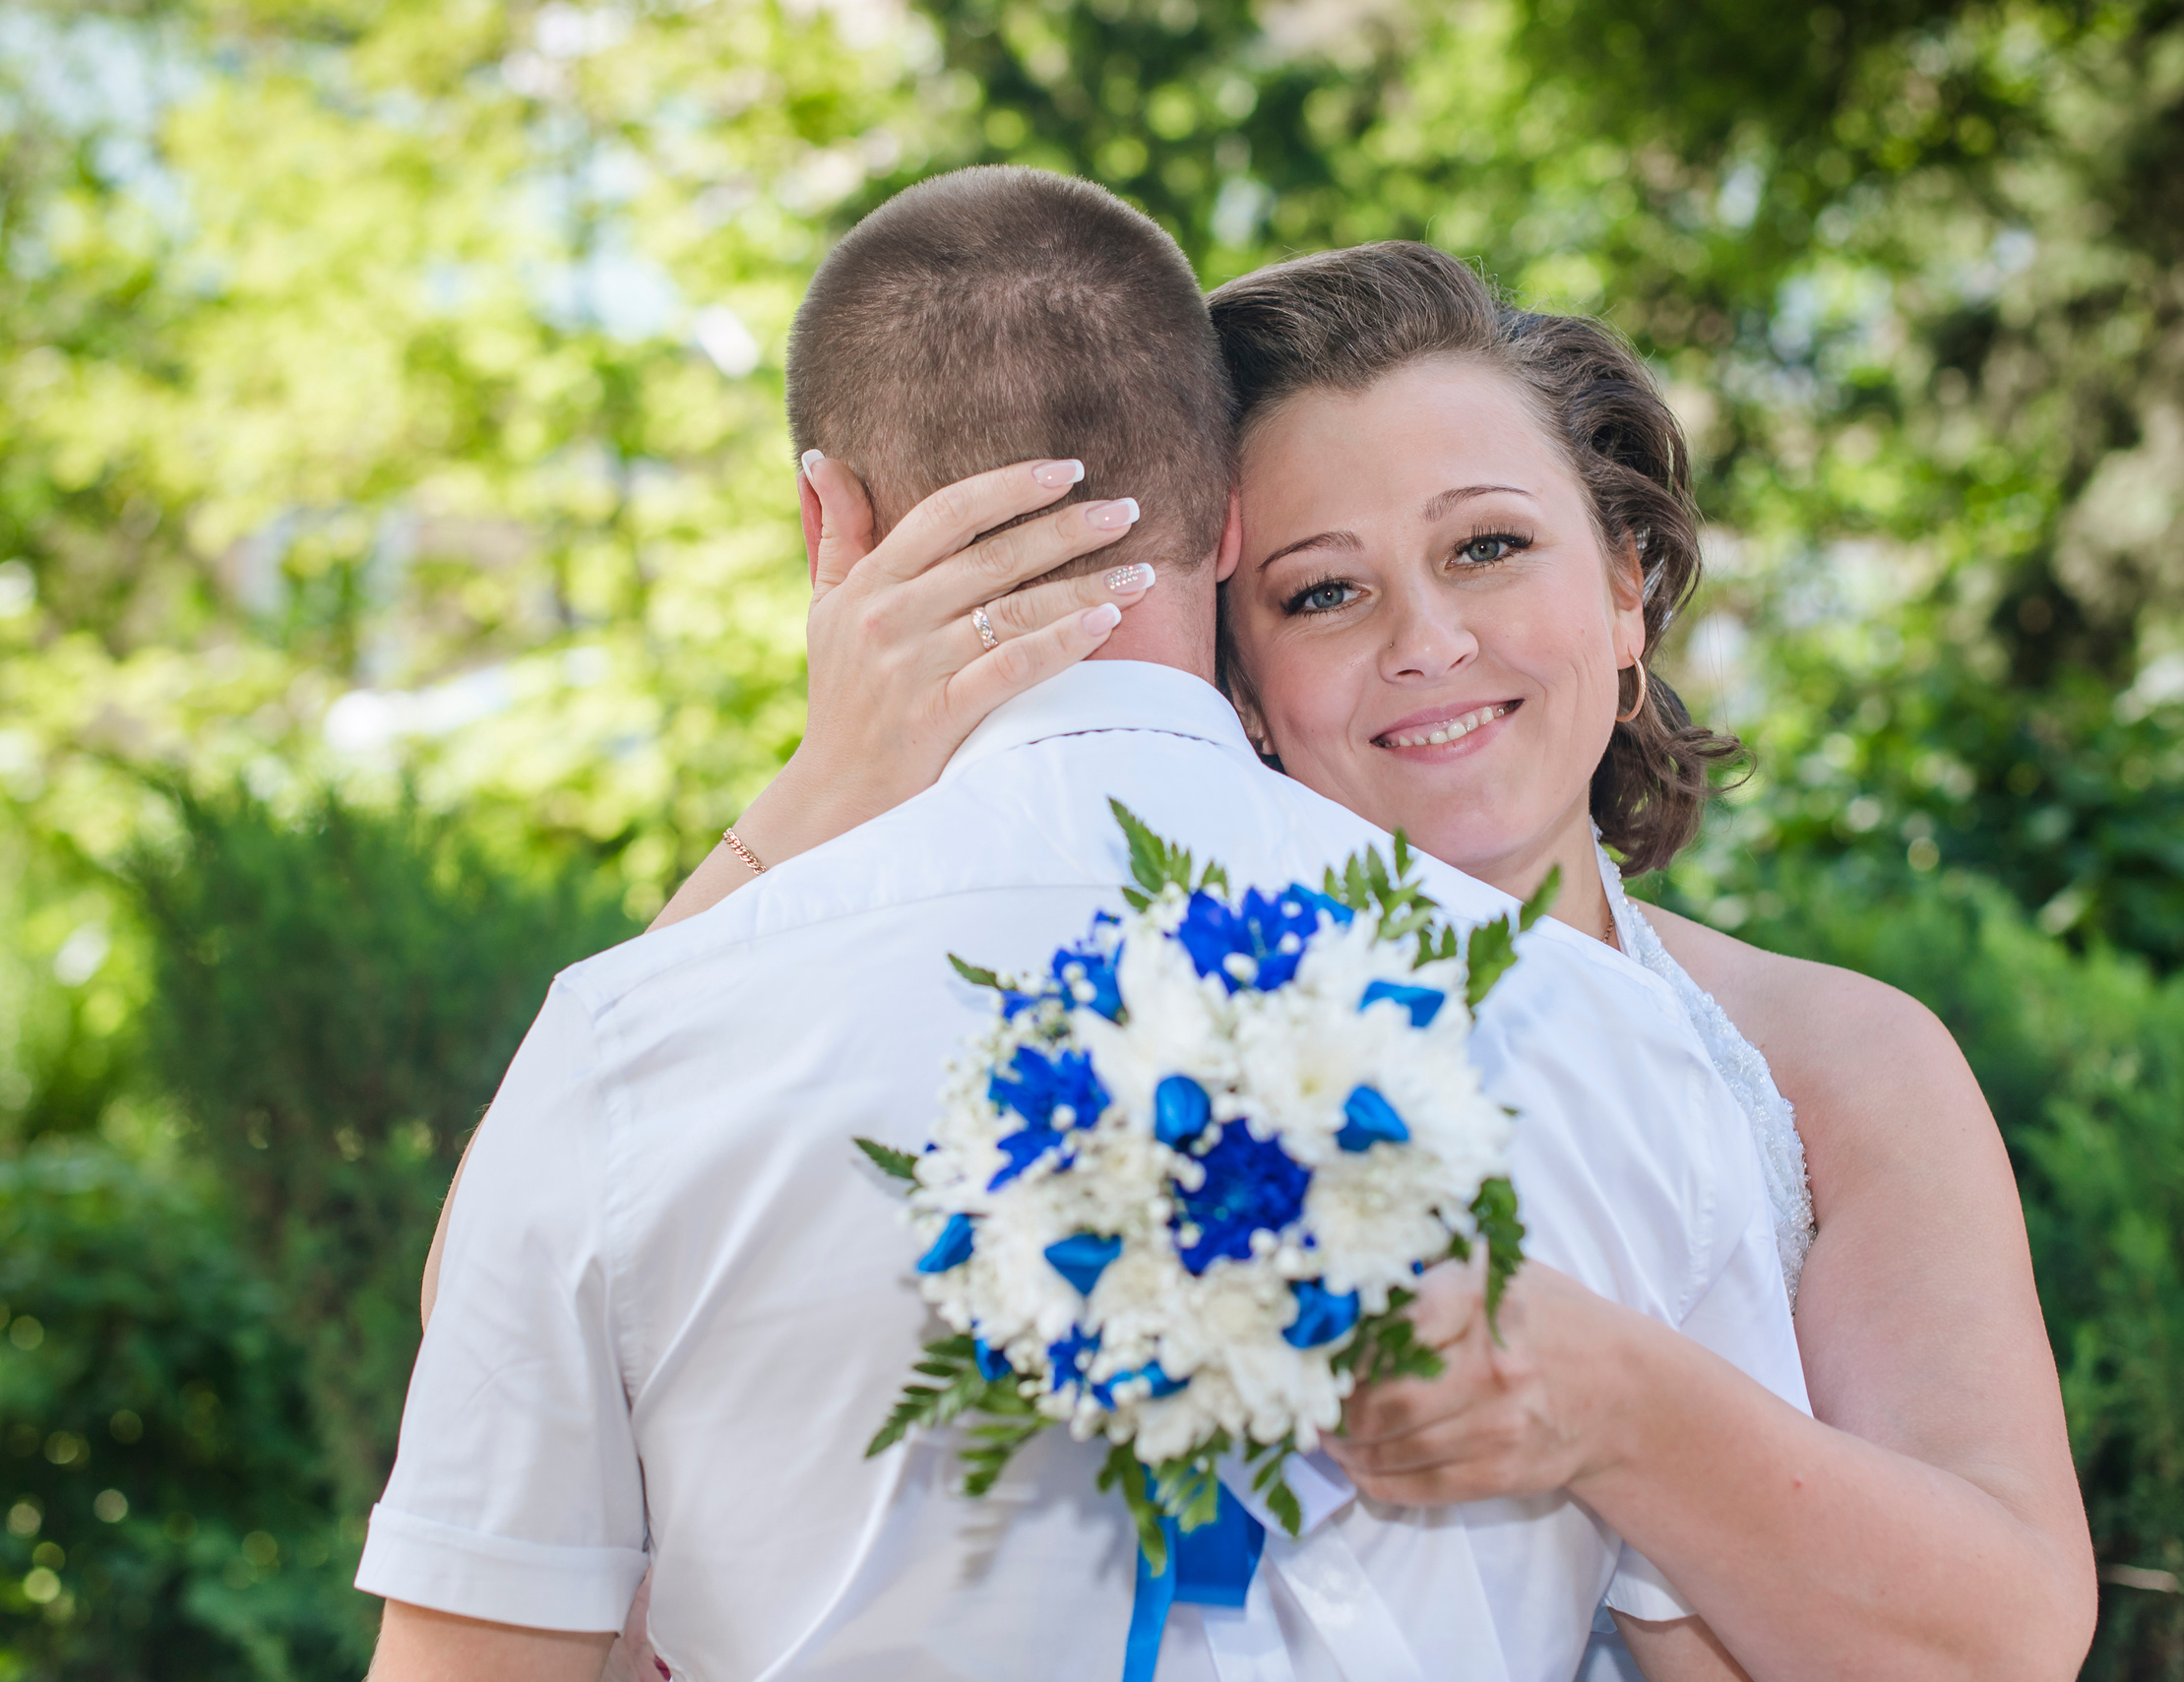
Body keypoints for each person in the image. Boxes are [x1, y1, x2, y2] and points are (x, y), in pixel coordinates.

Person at [367, 165, 1809, 1682]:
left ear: (829, 523)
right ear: (1230, 518)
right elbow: (1715, 1648)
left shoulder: (637, 1039)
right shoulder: (1597, 1025)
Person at [621, 236, 2102, 1675]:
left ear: (1625, 587)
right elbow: (563, 1268)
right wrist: (829, 785)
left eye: (1489, 546)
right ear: (1240, 683)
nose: (1429, 640)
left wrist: (1609, 1403)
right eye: (1324, 591)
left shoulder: (1836, 1059)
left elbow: (2003, 1640)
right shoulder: (1106, 1064)